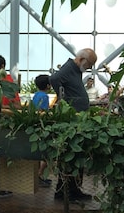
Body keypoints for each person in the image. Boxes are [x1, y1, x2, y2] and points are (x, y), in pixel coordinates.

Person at [48, 48, 98, 200]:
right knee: (72, 156)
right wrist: (63, 99)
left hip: (77, 119)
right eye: (89, 64)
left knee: (74, 157)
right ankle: (68, 192)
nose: (89, 68)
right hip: (73, 121)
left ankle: (70, 191)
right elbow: (54, 79)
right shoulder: (70, 68)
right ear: (82, 60)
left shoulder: (75, 70)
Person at [32, 74, 52, 186]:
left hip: (35, 125)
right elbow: (42, 111)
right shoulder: (44, 97)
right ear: (48, 85)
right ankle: (39, 175)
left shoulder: (36, 95)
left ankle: (38, 176)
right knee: (47, 154)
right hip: (42, 126)